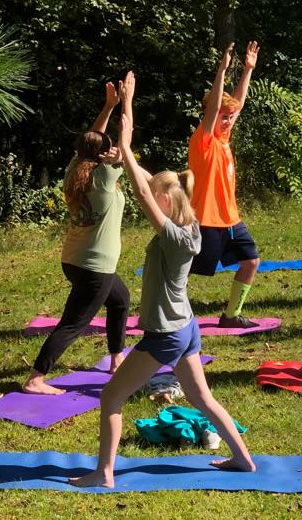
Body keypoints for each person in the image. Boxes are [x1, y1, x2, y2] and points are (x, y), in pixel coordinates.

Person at [70, 72, 254, 488]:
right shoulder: (187, 222)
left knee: (111, 396)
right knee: (202, 397)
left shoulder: (174, 236)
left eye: (156, 197)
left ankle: (104, 473)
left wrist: (128, 144)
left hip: (167, 333)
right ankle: (243, 460)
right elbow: (144, 180)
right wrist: (127, 113)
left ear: (167, 201)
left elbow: (142, 192)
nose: (150, 200)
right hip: (185, 327)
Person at [22, 79, 130, 395]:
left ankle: (116, 359)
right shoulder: (104, 177)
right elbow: (125, 141)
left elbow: (90, 141)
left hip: (75, 260)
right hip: (95, 267)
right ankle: (36, 378)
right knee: (73, 323)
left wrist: (108, 106)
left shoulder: (76, 168)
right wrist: (127, 103)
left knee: (120, 300)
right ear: (103, 155)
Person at [187, 42, 262, 328]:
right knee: (183, 271)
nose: (229, 120)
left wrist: (248, 70)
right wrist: (222, 70)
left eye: (231, 117)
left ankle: (231, 316)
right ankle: (166, 311)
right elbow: (215, 106)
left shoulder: (223, 138)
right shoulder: (203, 140)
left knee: (251, 261)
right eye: (223, 116)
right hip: (205, 221)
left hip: (231, 220)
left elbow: (236, 103)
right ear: (210, 114)